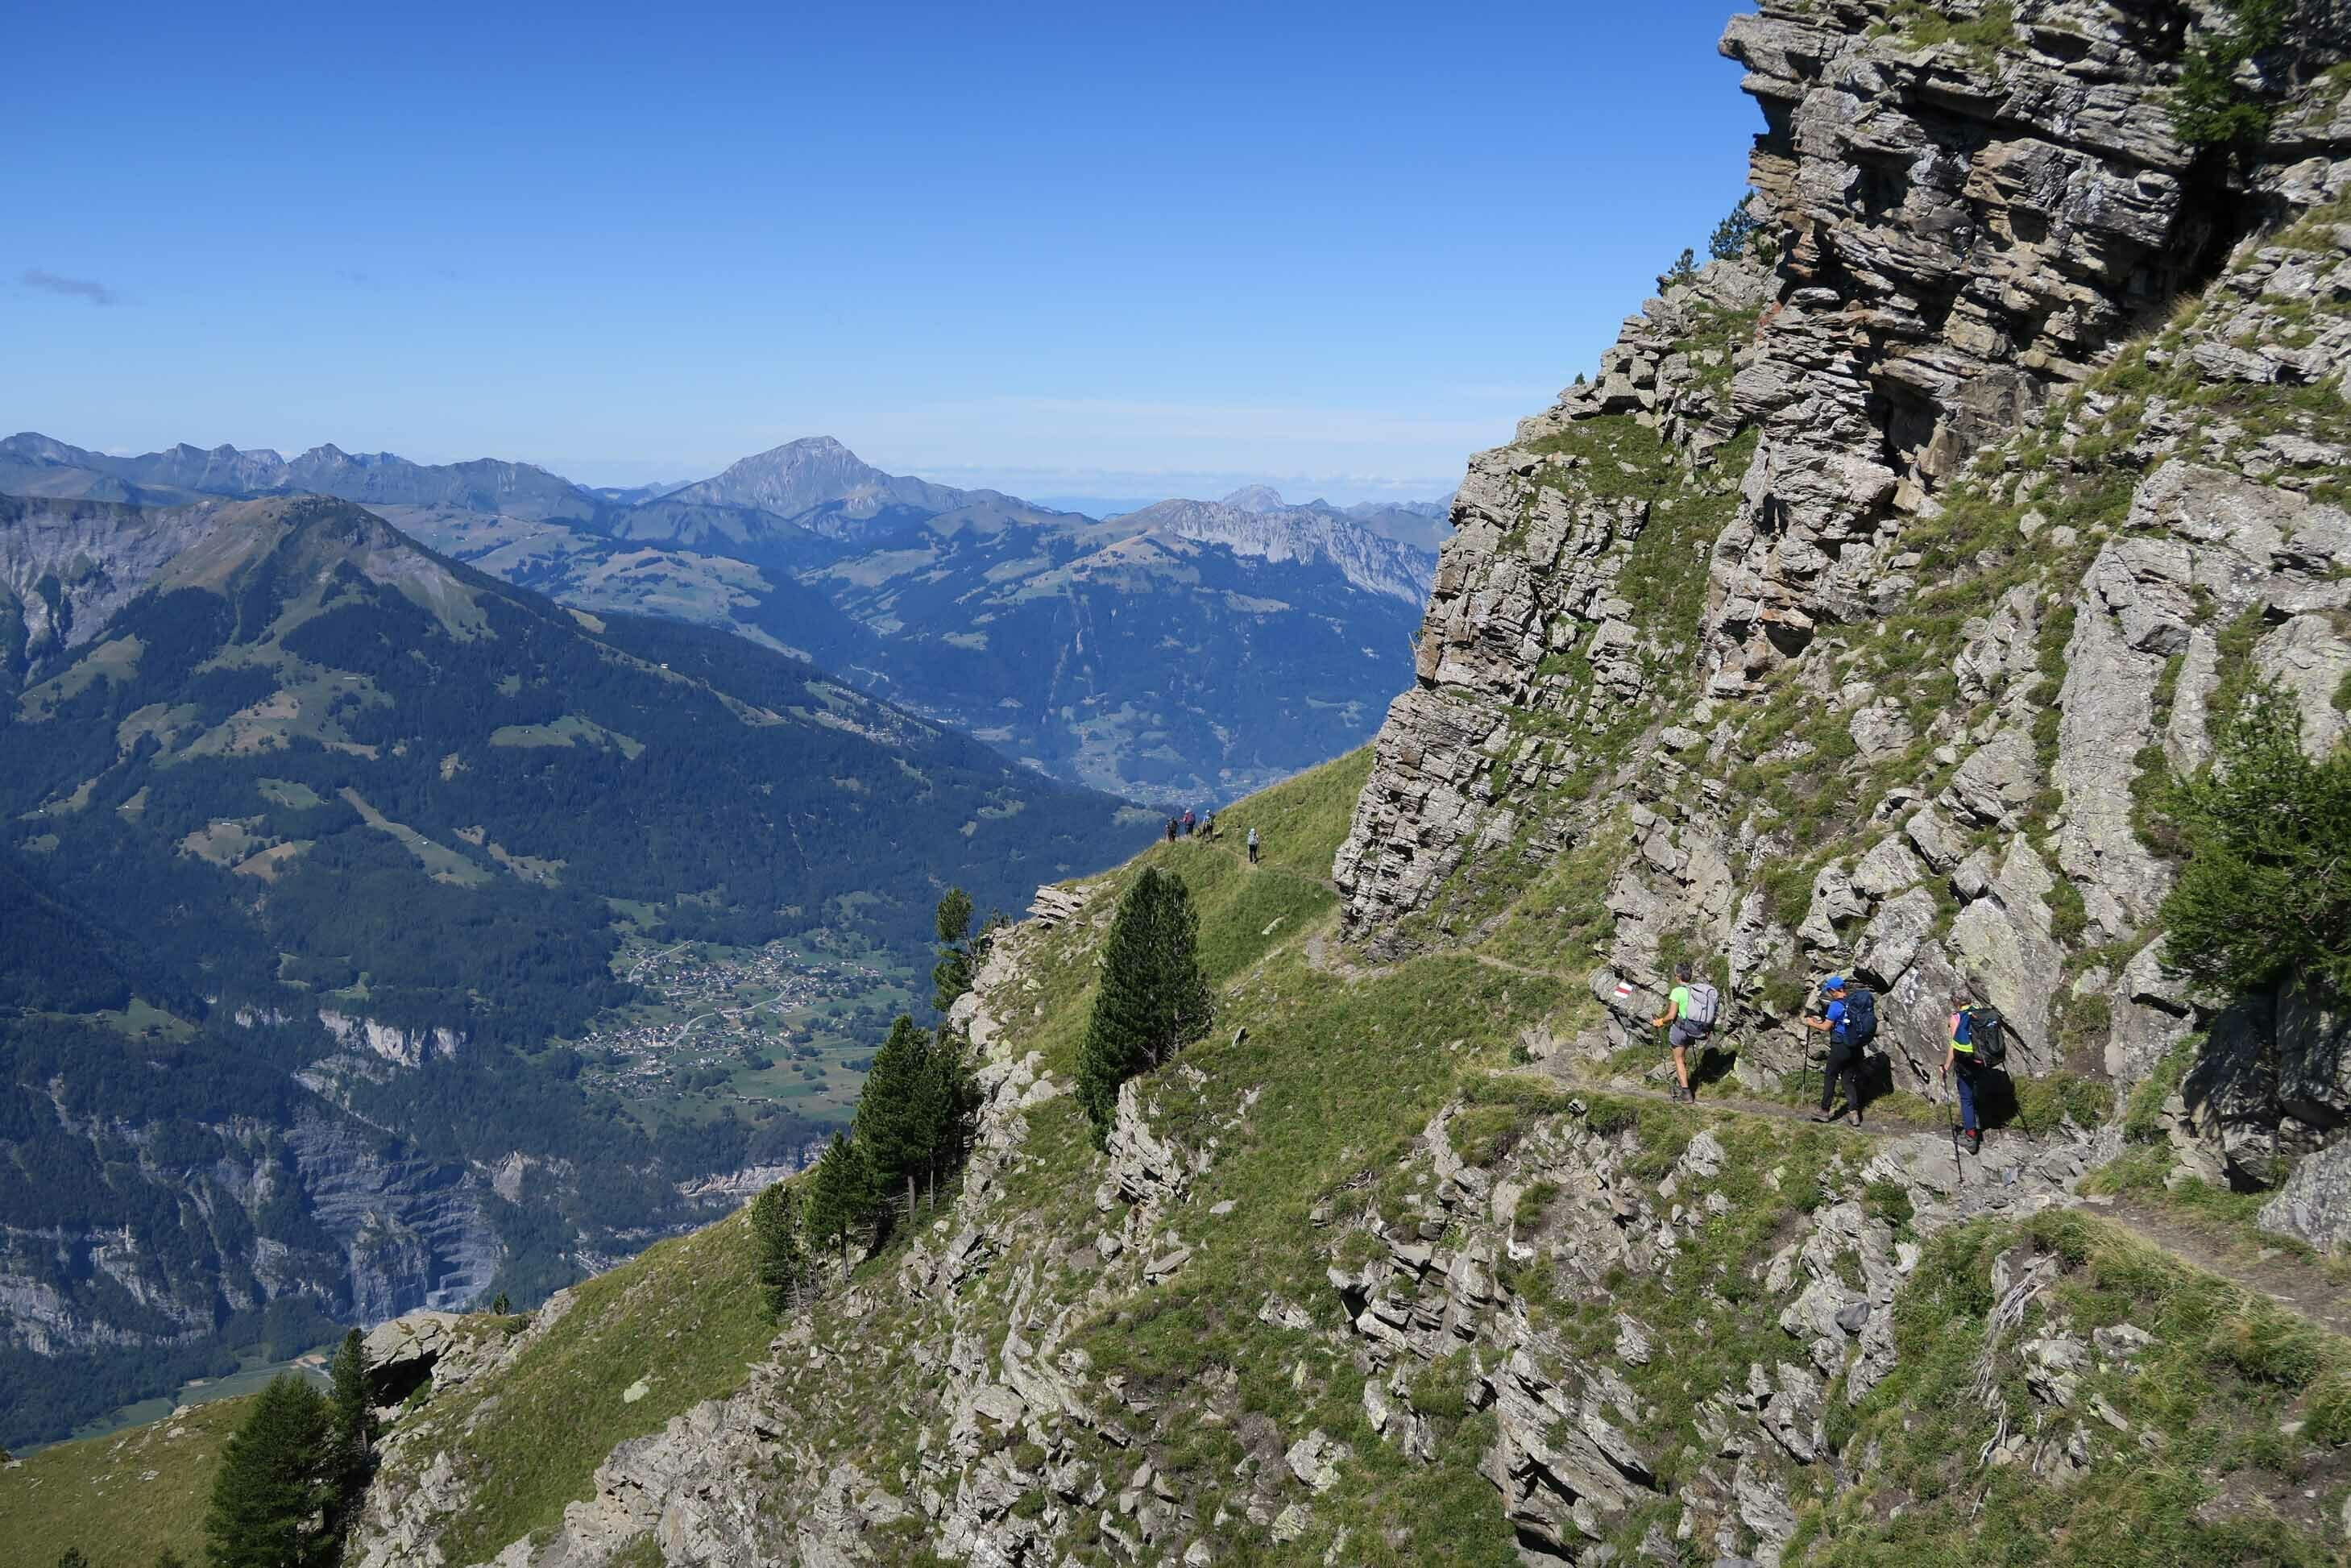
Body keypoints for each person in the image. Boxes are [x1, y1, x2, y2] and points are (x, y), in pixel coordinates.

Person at [1804, 974, 1862, 1126]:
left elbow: (1825, 1027)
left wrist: (1811, 1022)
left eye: (1829, 991)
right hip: (1855, 1047)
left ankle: (1824, 1111)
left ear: (1834, 990)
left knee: (1830, 1076)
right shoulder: (1854, 1001)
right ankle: (1854, 1113)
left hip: (1840, 1046)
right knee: (1848, 1079)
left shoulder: (1836, 1005)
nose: (1829, 994)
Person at [1648, 961, 1710, 1101]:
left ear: (1678, 976)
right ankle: (1687, 1083)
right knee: (1683, 1057)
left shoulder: (1677, 992)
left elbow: (1671, 1016)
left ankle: (1686, 1093)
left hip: (1680, 1030)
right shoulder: (1696, 991)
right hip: (1694, 1029)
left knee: (1679, 1059)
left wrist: (1660, 1022)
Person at [1943, 990, 1980, 1152]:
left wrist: (1946, 1066)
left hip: (1965, 1062)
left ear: (1957, 1002)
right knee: (1977, 1093)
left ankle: (1971, 1137)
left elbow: (1954, 1045)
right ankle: (1979, 1123)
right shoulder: (1979, 1013)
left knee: (1966, 1098)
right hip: (1981, 1060)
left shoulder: (1956, 1018)